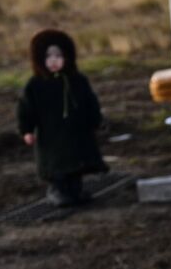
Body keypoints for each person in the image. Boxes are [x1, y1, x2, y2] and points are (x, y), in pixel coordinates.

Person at [17, 28, 106, 206]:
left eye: (58, 56)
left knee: (76, 164)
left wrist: (95, 120)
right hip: (51, 136)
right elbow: (26, 108)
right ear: (40, 59)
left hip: (76, 132)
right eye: (48, 57)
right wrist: (26, 130)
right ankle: (57, 192)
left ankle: (76, 191)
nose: (54, 61)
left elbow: (90, 101)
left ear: (67, 56)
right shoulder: (35, 85)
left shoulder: (77, 80)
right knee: (56, 167)